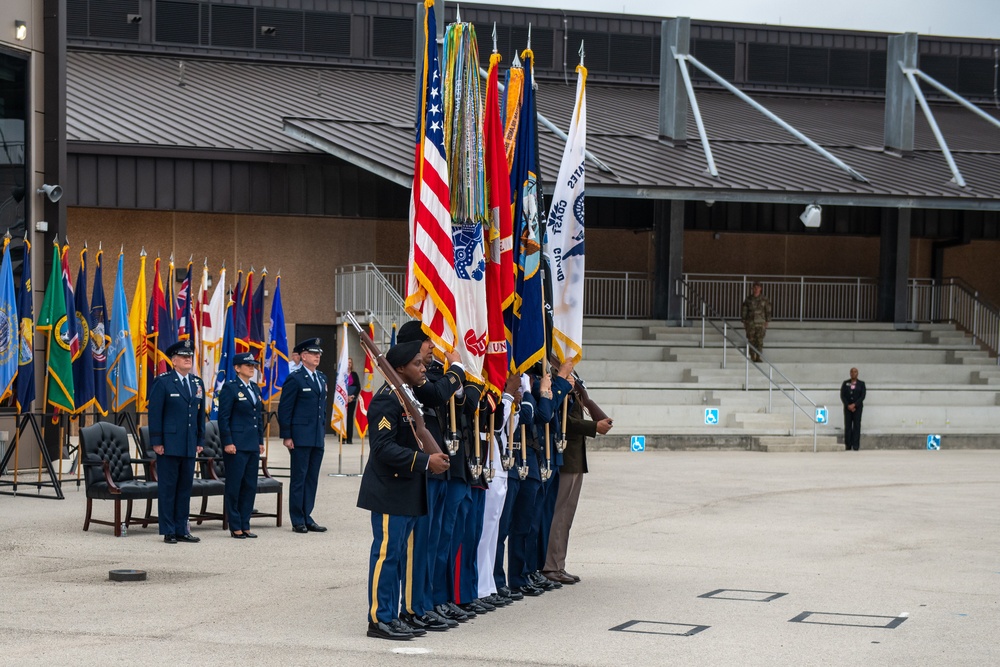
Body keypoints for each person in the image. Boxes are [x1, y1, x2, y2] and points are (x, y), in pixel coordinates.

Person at [358, 340, 450, 641]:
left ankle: (394, 614)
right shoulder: (387, 400)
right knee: (387, 555)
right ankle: (379, 619)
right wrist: (425, 461)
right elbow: (383, 448)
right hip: (390, 488)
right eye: (417, 364)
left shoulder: (405, 397)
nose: (423, 368)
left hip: (407, 487)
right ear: (399, 368)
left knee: (398, 555)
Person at [542, 380, 613, 583]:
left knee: (567, 516)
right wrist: (593, 426)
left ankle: (558, 565)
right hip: (564, 456)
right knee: (560, 515)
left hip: (575, 457)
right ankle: (550, 566)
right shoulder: (556, 374)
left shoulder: (571, 376)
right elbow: (561, 420)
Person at [148, 339, 206, 544]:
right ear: (174, 361)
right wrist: (157, 441)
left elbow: (200, 416)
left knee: (184, 488)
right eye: (183, 356)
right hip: (169, 444)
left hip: (189, 444)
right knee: (168, 488)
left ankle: (182, 528)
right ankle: (169, 530)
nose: (188, 359)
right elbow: (155, 413)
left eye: (189, 356)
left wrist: (200, 439)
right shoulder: (163, 381)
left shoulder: (197, 383)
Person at [278, 338, 328, 533]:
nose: (317, 356)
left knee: (312, 478)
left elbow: (321, 409)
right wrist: (287, 435)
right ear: (303, 356)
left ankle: (307, 515)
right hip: (300, 436)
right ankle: (297, 519)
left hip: (316, 436)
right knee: (299, 477)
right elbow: (285, 408)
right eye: (313, 353)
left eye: (319, 354)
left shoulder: (321, 378)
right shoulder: (295, 378)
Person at [217, 352, 265, 539]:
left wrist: (260, 440)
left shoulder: (254, 388)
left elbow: (258, 417)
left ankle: (246, 523)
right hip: (236, 445)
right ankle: (235, 524)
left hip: (251, 444)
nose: (252, 368)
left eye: (253, 365)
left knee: (249, 486)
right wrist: (228, 441)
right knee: (235, 486)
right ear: (237, 368)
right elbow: (224, 418)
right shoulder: (230, 388)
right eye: (248, 365)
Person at [741, 280, 772, 363]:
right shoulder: (748, 299)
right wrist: (744, 321)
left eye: (758, 288)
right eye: (754, 288)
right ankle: (752, 356)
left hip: (761, 323)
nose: (756, 289)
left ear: (760, 289)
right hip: (750, 323)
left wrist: (767, 321)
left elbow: (768, 310)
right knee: (751, 340)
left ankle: (758, 356)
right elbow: (744, 310)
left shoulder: (764, 299)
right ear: (752, 289)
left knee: (759, 340)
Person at [840, 367, 866, 451]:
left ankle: (855, 445)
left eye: (855, 372)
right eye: (852, 372)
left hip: (857, 408)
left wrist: (854, 405)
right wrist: (848, 405)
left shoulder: (861, 384)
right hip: (848, 408)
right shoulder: (845, 383)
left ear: (857, 373)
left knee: (856, 426)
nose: (853, 373)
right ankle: (848, 445)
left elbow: (862, 396)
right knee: (848, 426)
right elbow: (842, 395)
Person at [345, 358, 361, 444]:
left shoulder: (354, 374)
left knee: (350, 418)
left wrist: (352, 396)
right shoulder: (342, 374)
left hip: (352, 399)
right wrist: (345, 396)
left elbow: (358, 386)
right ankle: (342, 438)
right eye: (347, 362)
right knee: (343, 417)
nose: (349, 364)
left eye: (350, 362)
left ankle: (349, 438)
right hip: (342, 399)